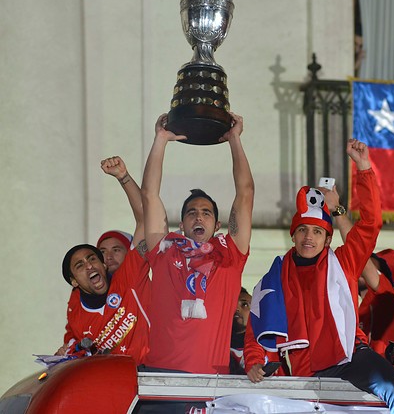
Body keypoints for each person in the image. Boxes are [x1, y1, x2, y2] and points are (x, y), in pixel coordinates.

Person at [244, 139, 394, 414]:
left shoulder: (344, 261)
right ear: (293, 235)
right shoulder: (275, 275)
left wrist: (363, 168)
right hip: (303, 372)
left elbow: (371, 225)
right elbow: (257, 323)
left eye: (316, 232)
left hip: (350, 357)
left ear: (328, 239)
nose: (308, 237)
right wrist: (253, 361)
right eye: (302, 230)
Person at [140, 111, 254, 374]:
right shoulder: (164, 249)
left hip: (210, 380)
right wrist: (160, 140)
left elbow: (245, 193)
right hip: (159, 376)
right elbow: (149, 196)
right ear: (181, 226)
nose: (198, 216)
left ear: (217, 226)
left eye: (206, 212)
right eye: (191, 213)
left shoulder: (230, 254)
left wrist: (234, 139)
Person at [58, 156, 149, 364]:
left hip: (151, 379)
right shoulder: (75, 309)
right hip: (111, 389)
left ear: (103, 264)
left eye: (92, 258)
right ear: (74, 281)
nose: (89, 265)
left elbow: (145, 218)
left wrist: (123, 177)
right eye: (80, 265)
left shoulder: (130, 278)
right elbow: (72, 350)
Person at [331, 205, 394, 359]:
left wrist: (337, 210)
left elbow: (357, 249)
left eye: (369, 262)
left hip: (378, 377)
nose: (361, 264)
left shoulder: (388, 295)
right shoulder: (362, 307)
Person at [230, 287, 252, 375]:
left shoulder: (266, 345)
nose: (237, 309)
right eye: (232, 304)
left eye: (245, 305)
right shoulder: (214, 345)